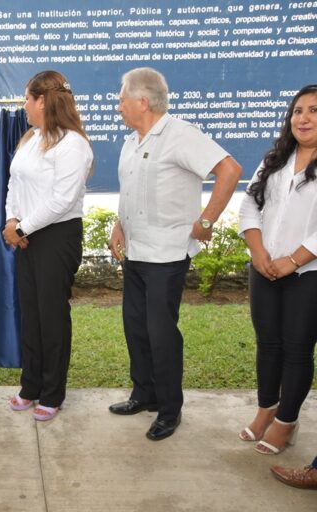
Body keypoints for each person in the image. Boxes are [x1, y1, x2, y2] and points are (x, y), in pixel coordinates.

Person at [107, 68, 242, 440]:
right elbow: (130, 192)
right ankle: (143, 394)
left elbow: (229, 170)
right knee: (135, 328)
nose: (118, 106)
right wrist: (119, 225)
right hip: (135, 252)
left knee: (161, 333)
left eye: (121, 98)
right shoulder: (131, 141)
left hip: (166, 255)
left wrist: (207, 220)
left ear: (142, 102)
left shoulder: (180, 134)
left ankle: (169, 409)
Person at [2, 71, 93, 421]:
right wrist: (13, 221)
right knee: (31, 314)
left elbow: (61, 200)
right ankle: (31, 385)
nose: (24, 105)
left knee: (51, 316)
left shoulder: (73, 144)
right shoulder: (31, 137)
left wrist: (21, 226)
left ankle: (52, 393)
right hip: (25, 234)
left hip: (57, 237)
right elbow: (14, 184)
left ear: (43, 101)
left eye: (27, 98)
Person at [237, 84, 317, 455]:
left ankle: (287, 422)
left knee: (297, 349)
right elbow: (249, 207)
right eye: (298, 110)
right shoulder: (275, 160)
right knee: (268, 344)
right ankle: (266, 408)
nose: (304, 118)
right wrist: (258, 252)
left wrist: (294, 259)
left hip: (308, 275)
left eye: (314, 110)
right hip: (264, 268)